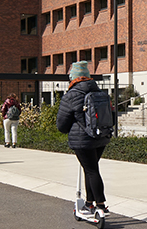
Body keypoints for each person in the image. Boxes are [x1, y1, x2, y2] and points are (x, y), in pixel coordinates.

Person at [56, 61, 111, 215]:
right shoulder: (98, 91)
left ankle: (100, 205)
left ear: (73, 77)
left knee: (91, 170)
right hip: (100, 137)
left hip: (82, 140)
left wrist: (67, 129)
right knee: (90, 169)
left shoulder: (72, 95)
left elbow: (61, 124)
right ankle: (89, 203)